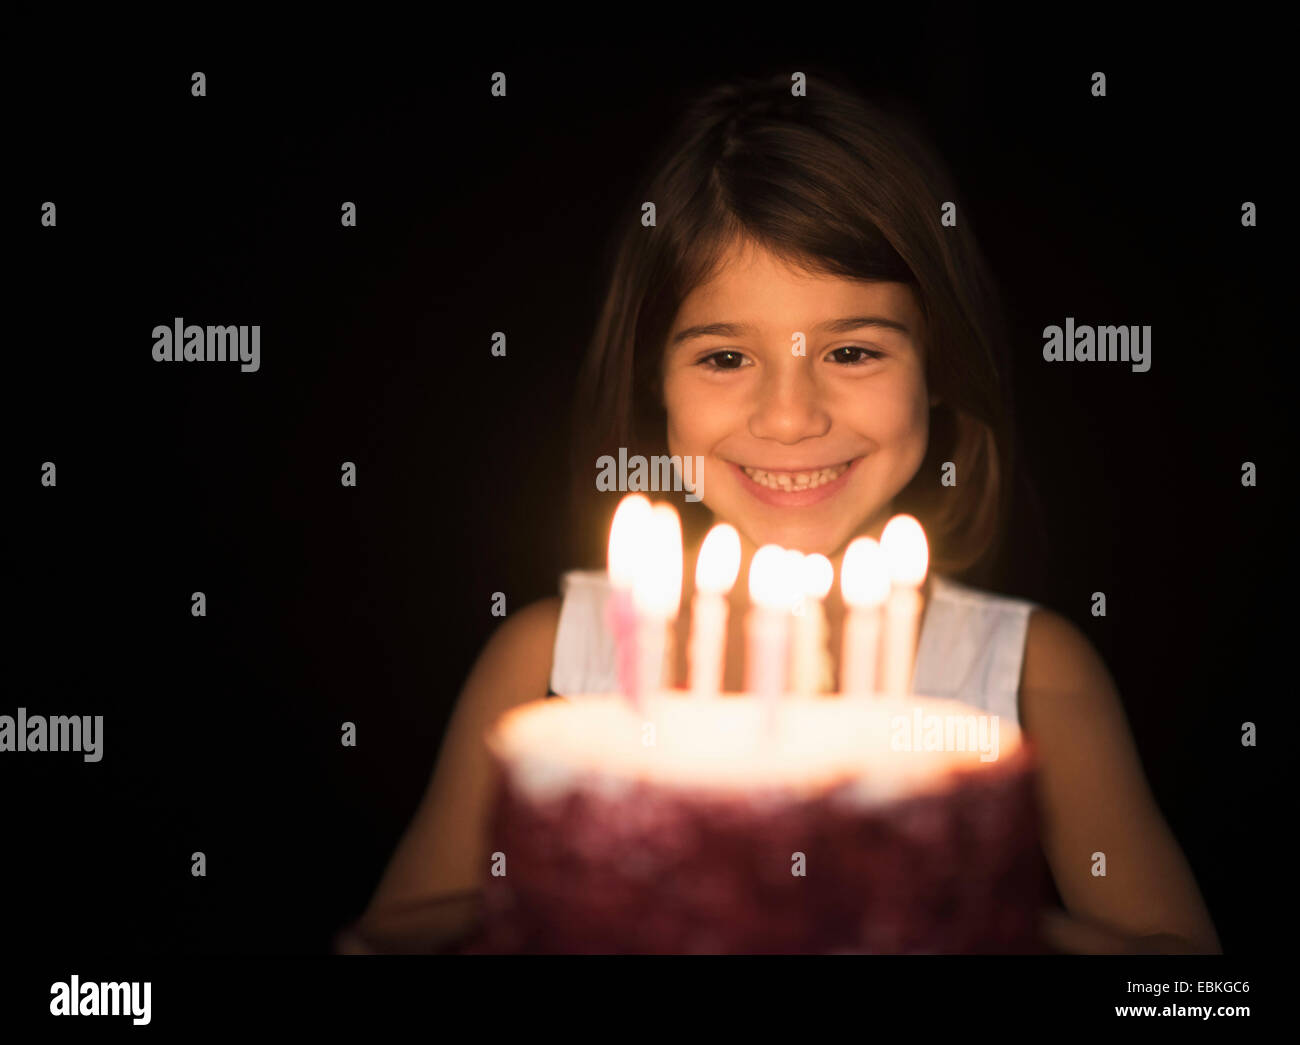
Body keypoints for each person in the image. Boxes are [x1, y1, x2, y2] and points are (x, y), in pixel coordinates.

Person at [336, 72, 1220, 955]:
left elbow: (1194, 994)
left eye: (851, 350)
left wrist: (973, 922)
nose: (790, 417)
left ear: (940, 363)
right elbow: (388, 941)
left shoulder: (1031, 679)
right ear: (657, 383)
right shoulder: (548, 664)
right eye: (725, 357)